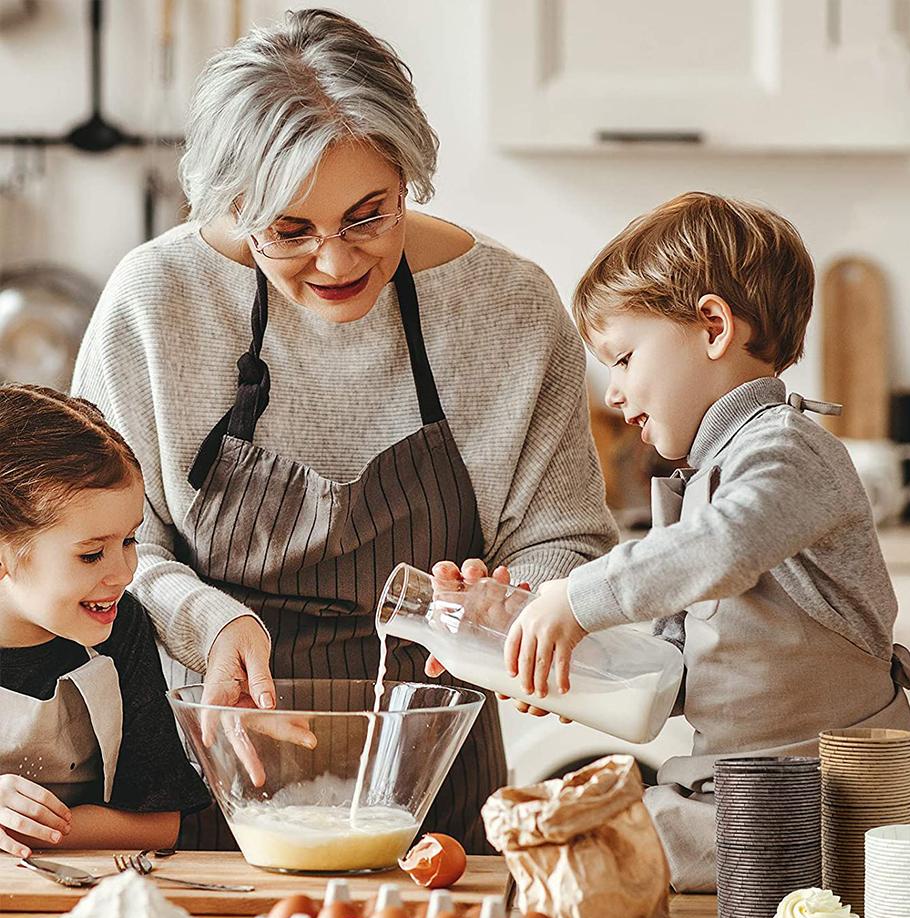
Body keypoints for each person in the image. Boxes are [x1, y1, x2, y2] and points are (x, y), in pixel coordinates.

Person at [71, 9, 616, 852]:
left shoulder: (509, 308)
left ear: (410, 178)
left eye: (370, 216)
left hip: (435, 784)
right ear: (228, 206)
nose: (335, 262)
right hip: (208, 766)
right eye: (288, 231)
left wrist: (509, 604)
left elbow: (565, 538)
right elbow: (106, 549)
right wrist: (212, 623)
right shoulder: (155, 302)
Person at [505, 192, 910, 890]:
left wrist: (578, 595)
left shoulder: (786, 450)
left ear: (714, 326)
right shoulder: (697, 477)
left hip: (816, 812)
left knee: (563, 861)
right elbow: (671, 669)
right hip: (734, 797)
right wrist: (562, 665)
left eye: (625, 357)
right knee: (551, 839)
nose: (615, 394)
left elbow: (725, 546)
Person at [0, 386, 210, 858]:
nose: (123, 573)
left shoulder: (123, 628)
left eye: (130, 541)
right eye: (92, 554)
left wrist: (26, 831)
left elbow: (159, 826)